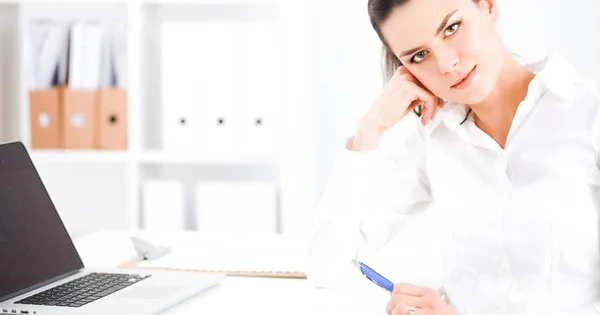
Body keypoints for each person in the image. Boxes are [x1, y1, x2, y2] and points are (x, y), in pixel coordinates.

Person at [306, 0, 600, 314]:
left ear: (488, 7)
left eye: (452, 28)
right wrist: (369, 129)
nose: (445, 64)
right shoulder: (432, 138)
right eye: (419, 55)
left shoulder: (588, 113)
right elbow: (328, 268)